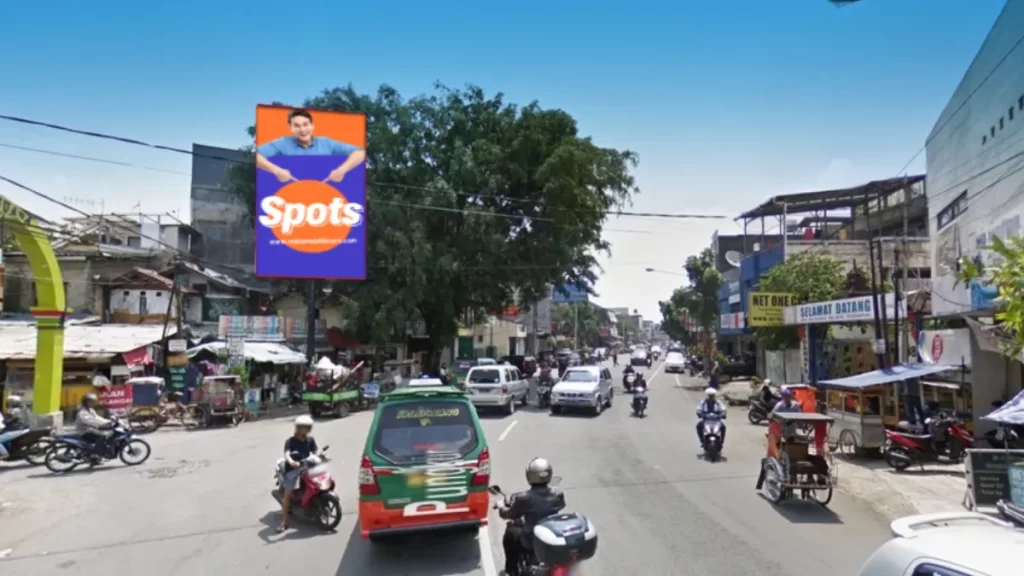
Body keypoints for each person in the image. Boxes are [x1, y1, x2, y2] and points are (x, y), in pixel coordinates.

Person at [256, 108, 367, 183]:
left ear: (312, 125)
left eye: (305, 124)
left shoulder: (326, 143)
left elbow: (360, 152)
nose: (303, 130)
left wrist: (342, 170)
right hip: (290, 203)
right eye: (297, 126)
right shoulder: (283, 143)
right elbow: (257, 156)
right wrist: (276, 170)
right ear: (291, 128)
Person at [500, 458, 566, 576]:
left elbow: (510, 514)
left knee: (510, 532)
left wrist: (501, 507)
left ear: (529, 475)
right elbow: (561, 505)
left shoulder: (524, 498)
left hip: (531, 540)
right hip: (551, 537)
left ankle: (511, 571)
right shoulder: (557, 494)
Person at [279, 415, 322, 532]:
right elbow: (287, 453)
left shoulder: (310, 440)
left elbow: (315, 450)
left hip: (308, 466)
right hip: (293, 469)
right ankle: (284, 522)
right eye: (305, 427)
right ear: (298, 428)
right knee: (288, 493)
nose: (307, 429)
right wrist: (291, 461)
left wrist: (319, 454)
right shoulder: (290, 441)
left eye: (309, 427)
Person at [75, 393, 113, 460]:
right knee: (102, 436)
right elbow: (90, 421)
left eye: (93, 401)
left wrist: (109, 421)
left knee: (104, 435)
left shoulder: (90, 410)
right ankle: (96, 455)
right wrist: (101, 425)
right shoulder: (82, 412)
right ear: (85, 402)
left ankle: (93, 454)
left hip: (90, 430)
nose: (92, 403)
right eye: (90, 401)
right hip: (84, 431)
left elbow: (97, 418)